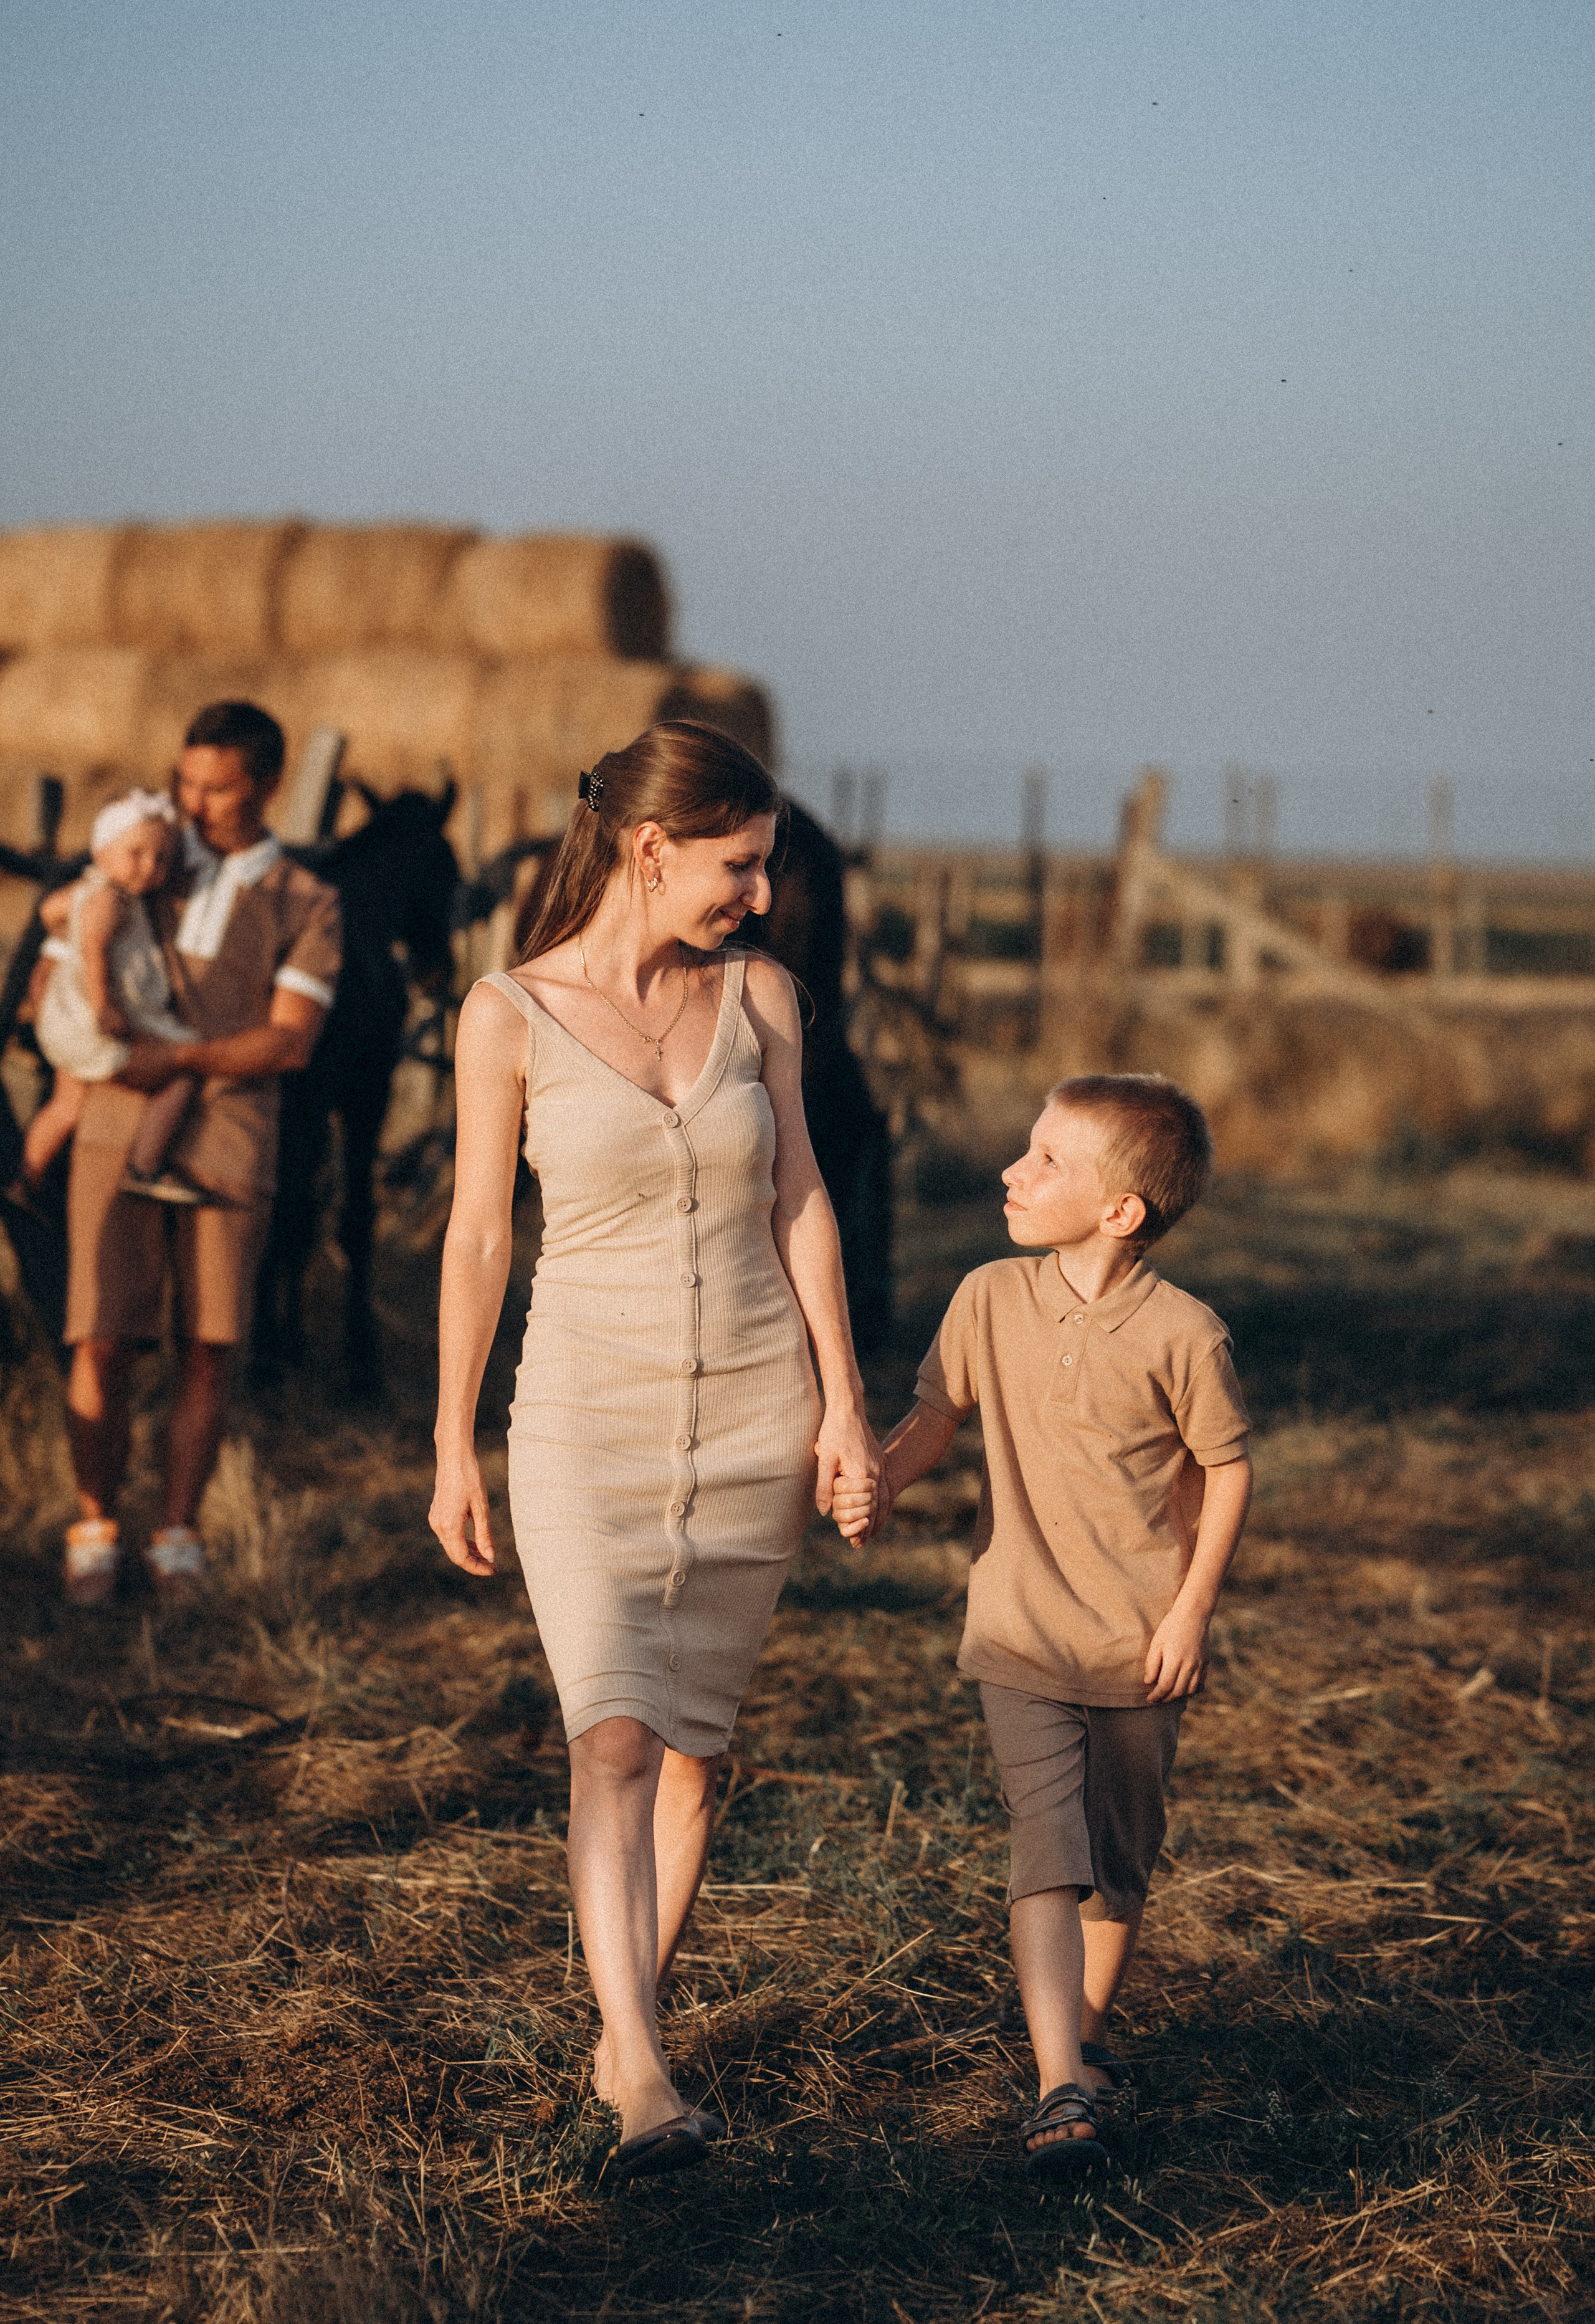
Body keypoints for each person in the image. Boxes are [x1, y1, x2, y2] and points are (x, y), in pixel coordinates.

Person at [430, 722, 882, 2181]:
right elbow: (479, 1236)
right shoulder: (506, 1013)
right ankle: (642, 2088)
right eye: (736, 865)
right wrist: (450, 1439)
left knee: (693, 1755)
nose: (755, 893)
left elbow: (802, 1200)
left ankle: (627, 2031)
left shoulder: (763, 997)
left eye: (761, 867)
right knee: (612, 1734)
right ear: (647, 849)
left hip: (755, 1410)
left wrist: (844, 1399)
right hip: (580, 1416)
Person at [835, 1075, 1251, 2177]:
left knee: (1120, 1855)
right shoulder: (985, 1297)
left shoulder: (1185, 1333)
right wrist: (876, 1477)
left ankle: (1091, 2030)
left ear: (1121, 1210)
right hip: (1018, 1627)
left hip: (1136, 1641)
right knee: (1047, 1844)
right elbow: (936, 1414)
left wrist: (1192, 1608)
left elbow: (1227, 1467)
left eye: (1048, 1160)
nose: (1014, 1173)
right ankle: (1058, 2075)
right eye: (1026, 1149)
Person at [60, 702, 341, 1610]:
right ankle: (95, 1526)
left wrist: (175, 1059)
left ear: (266, 786)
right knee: (102, 1333)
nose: (194, 802)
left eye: (216, 788)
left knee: (208, 1346)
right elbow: (70, 933)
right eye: (185, 782)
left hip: (228, 1136)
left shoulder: (308, 902)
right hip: (115, 1123)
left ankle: (178, 1534)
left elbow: (289, 1041)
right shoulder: (145, 859)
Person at [16, 791, 208, 1208]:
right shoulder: (111, 898)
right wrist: (105, 1007)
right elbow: (96, 952)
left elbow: (50, 908)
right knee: (181, 1073)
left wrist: (59, 920)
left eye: (160, 859)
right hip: (95, 1023)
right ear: (102, 850)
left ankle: (26, 1179)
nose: (149, 867)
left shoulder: (90, 891)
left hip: (70, 1024)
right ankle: (144, 1166)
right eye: (136, 853)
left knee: (67, 1105)